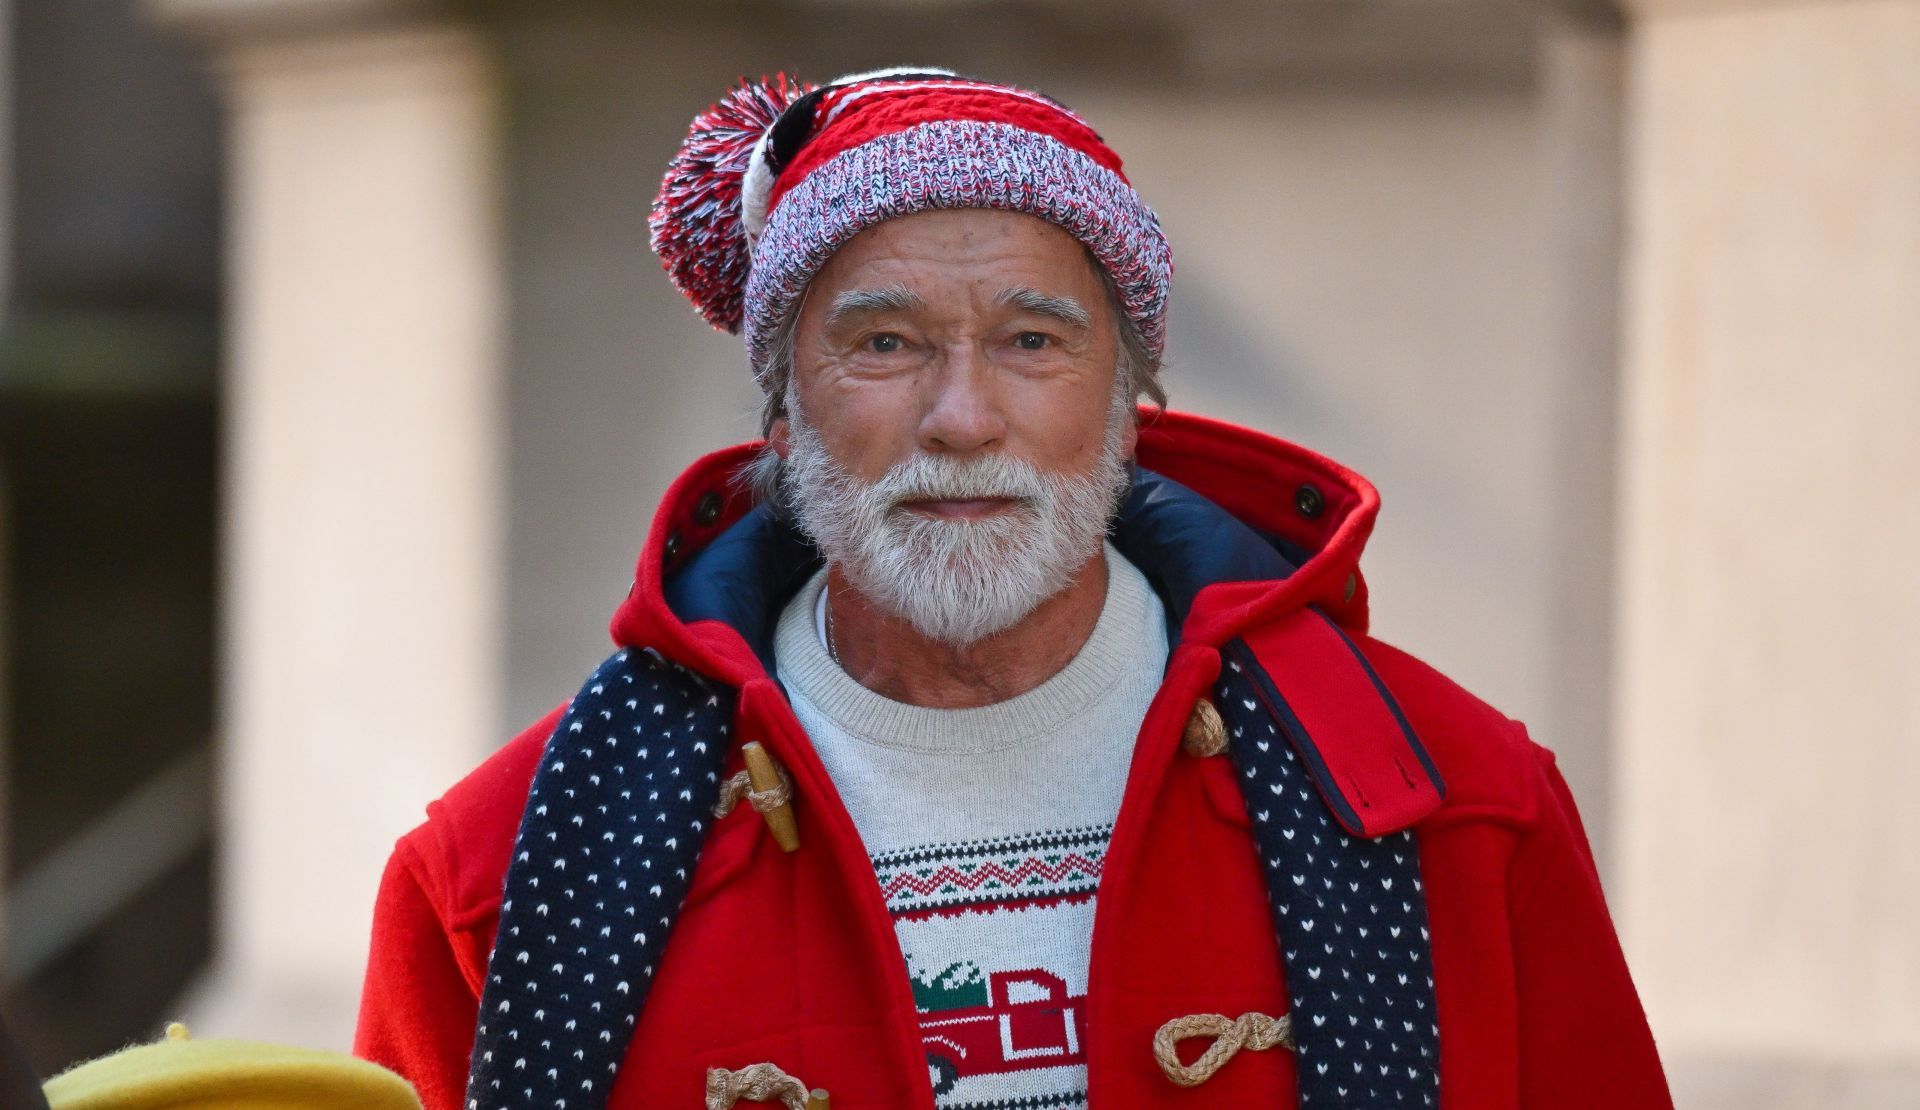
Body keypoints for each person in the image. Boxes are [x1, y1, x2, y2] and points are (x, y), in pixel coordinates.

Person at [353, 67, 1673, 1110]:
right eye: (884, 342)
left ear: (1129, 400)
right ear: (781, 406)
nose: (963, 416)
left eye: (1033, 341)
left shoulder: (1454, 813)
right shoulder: (508, 877)